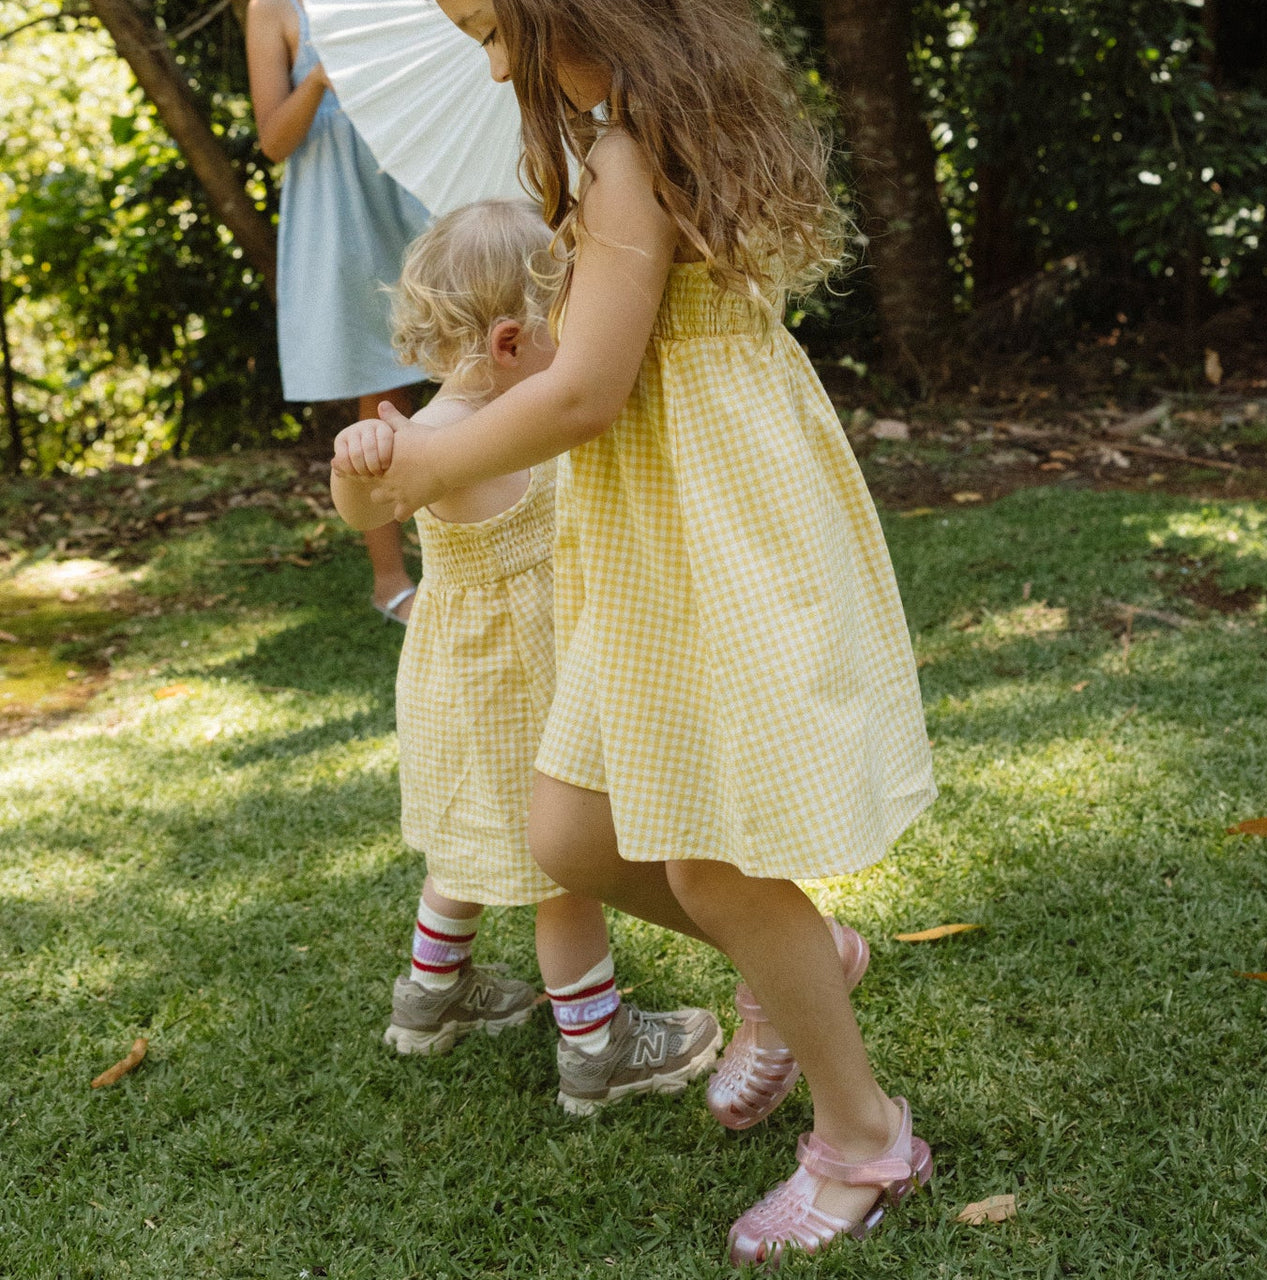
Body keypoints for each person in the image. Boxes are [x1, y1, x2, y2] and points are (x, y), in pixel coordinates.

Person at [332, 0, 938, 1263]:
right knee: (569, 828)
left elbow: (587, 389)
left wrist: (420, 461)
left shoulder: (625, 155)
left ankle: (862, 1133)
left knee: (709, 855)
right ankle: (802, 957)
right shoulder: (649, 132)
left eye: (493, 33)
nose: (490, 64)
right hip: (657, 519)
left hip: (705, 520)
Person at [329, 197, 721, 1113]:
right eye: (566, 326)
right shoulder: (433, 438)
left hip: (470, 681)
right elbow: (364, 511)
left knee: (469, 840)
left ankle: (430, 999)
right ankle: (598, 1048)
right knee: (562, 868)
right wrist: (354, 465)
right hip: (517, 676)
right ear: (510, 341)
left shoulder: (500, 413)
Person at [246, 0, 424, 623]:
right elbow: (273, 140)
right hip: (341, 207)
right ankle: (391, 581)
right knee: (382, 387)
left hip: (418, 181)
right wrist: (321, 76)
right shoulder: (271, 9)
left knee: (480, 357)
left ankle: (496, 535)